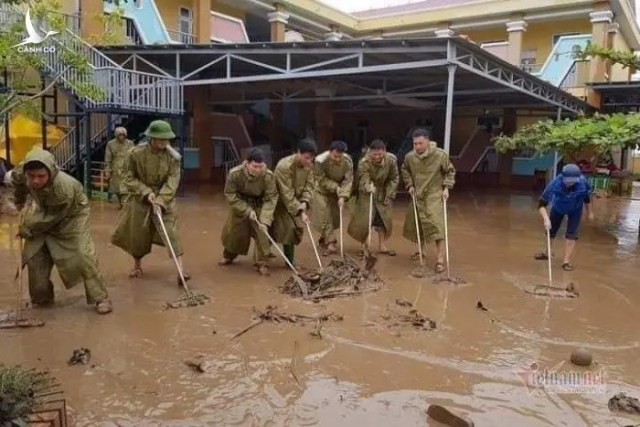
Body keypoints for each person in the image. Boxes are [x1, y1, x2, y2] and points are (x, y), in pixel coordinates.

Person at [10, 148, 112, 314]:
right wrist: (19, 200)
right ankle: (42, 299)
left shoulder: (63, 188)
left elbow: (52, 217)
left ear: (51, 173)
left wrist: (27, 228)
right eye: (32, 176)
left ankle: (100, 297)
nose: (35, 181)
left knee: (83, 255)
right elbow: (18, 185)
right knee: (34, 258)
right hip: (44, 212)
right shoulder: (21, 173)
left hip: (72, 216)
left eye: (41, 176)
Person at [111, 120, 190, 283]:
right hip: (141, 200)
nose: (164, 143)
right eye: (161, 139)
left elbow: (173, 180)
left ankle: (181, 272)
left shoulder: (173, 157)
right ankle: (137, 266)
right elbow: (127, 176)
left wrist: (161, 200)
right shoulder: (135, 153)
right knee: (138, 236)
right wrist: (146, 192)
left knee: (172, 234)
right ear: (151, 138)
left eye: (167, 140)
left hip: (165, 199)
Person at [401, 128, 456, 273]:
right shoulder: (410, 157)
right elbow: (405, 169)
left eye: (420, 143)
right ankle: (422, 252)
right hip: (418, 194)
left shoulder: (440, 155)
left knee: (436, 226)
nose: (417, 147)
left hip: (434, 194)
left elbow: (449, 171)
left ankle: (440, 259)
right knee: (418, 224)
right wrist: (410, 185)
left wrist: (446, 188)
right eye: (415, 144)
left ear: (427, 142)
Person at [219, 148, 278, 276]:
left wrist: (265, 218)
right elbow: (230, 194)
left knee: (262, 231)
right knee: (235, 232)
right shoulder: (234, 173)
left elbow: (271, 198)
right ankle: (229, 255)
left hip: (260, 205)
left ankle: (262, 263)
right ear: (247, 163)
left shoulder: (268, 176)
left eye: (260, 166)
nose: (257, 170)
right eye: (254, 166)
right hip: (241, 204)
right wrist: (246, 209)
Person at [535, 163, 594, 271]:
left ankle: (566, 261)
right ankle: (547, 253)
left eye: (572, 181)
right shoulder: (554, 184)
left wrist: (589, 212)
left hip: (575, 210)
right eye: (567, 180)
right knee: (550, 231)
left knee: (571, 235)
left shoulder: (583, 182)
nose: (569, 183)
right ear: (563, 177)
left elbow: (587, 199)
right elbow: (541, 204)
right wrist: (546, 218)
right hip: (558, 208)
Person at [347, 139, 399, 255]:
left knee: (383, 220)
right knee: (366, 220)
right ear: (370, 152)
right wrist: (367, 186)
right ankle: (365, 246)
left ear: (384, 151)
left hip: (383, 191)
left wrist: (389, 193)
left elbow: (394, 178)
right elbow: (363, 177)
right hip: (367, 192)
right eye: (374, 154)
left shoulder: (391, 160)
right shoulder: (363, 162)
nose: (377, 157)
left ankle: (382, 246)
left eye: (380, 154)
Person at [272, 138, 317, 267]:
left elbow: (310, 186)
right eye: (306, 158)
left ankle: (288, 260)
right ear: (298, 152)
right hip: (278, 202)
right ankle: (230, 256)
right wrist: (301, 211)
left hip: (295, 202)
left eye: (311, 158)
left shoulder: (309, 166)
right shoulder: (284, 166)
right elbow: (286, 193)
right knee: (285, 228)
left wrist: (305, 202)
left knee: (292, 230)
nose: (309, 161)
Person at [312, 140, 353, 256]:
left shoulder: (348, 162)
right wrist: (335, 187)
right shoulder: (320, 161)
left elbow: (348, 180)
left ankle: (324, 238)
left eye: (340, 156)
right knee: (324, 214)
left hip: (337, 193)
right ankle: (331, 243)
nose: (337, 159)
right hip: (321, 191)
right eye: (335, 156)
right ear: (330, 152)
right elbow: (321, 178)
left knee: (334, 217)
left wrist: (343, 196)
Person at [105, 127, 134, 209]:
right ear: (116, 135)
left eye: (123, 135)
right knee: (117, 189)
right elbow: (108, 158)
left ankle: (124, 204)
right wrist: (107, 169)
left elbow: (134, 155)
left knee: (125, 188)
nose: (121, 137)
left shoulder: (130, 143)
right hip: (115, 169)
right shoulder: (110, 144)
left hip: (127, 168)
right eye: (119, 135)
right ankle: (121, 203)